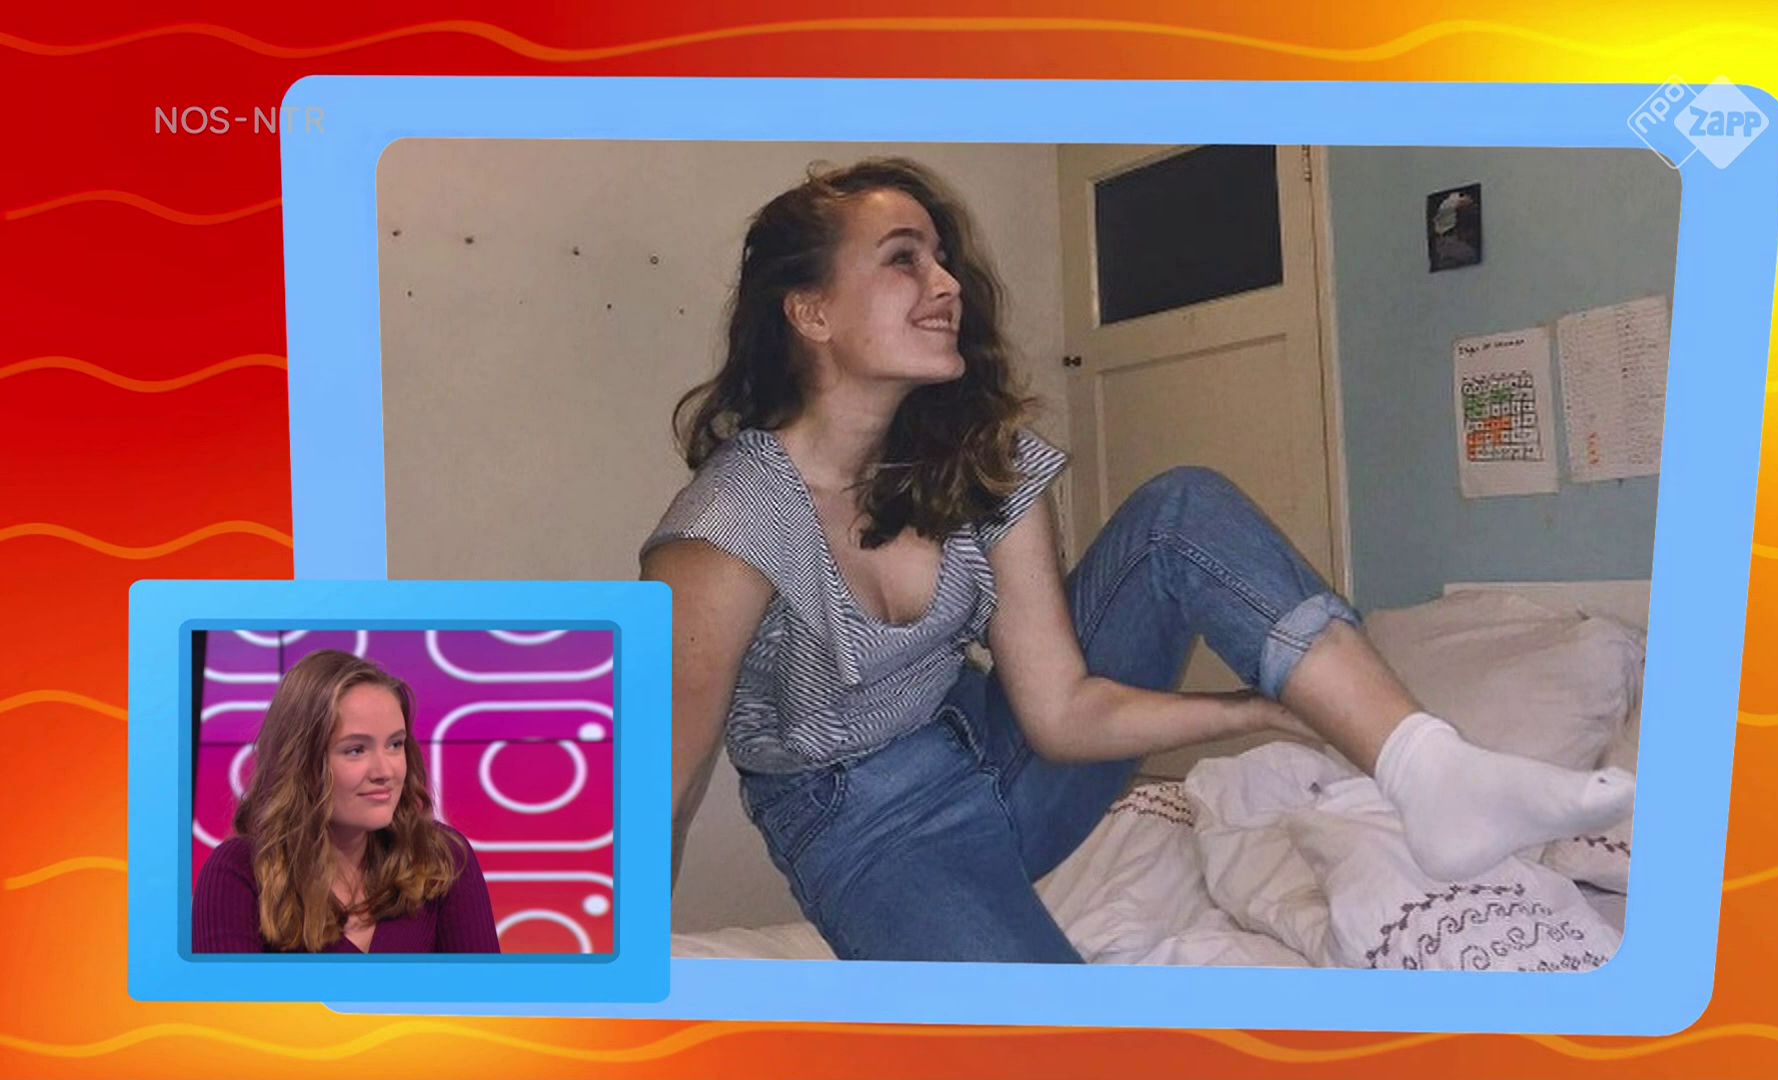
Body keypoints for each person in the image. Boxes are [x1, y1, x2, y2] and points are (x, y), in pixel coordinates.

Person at [641, 157, 1634, 963]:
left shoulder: (976, 464)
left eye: (943, 259)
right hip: (867, 830)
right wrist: (592, 976)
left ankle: (1426, 766)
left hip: (1001, 755)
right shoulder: (729, 525)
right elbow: (653, 787)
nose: (946, 284)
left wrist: (1260, 710)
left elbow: (1062, 713)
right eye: (904, 259)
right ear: (810, 312)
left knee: (1179, 511)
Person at [192, 649, 500, 953]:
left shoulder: (441, 858)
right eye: (356, 750)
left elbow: (484, 988)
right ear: (302, 762)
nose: (385, 772)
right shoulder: (237, 874)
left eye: (395, 744)